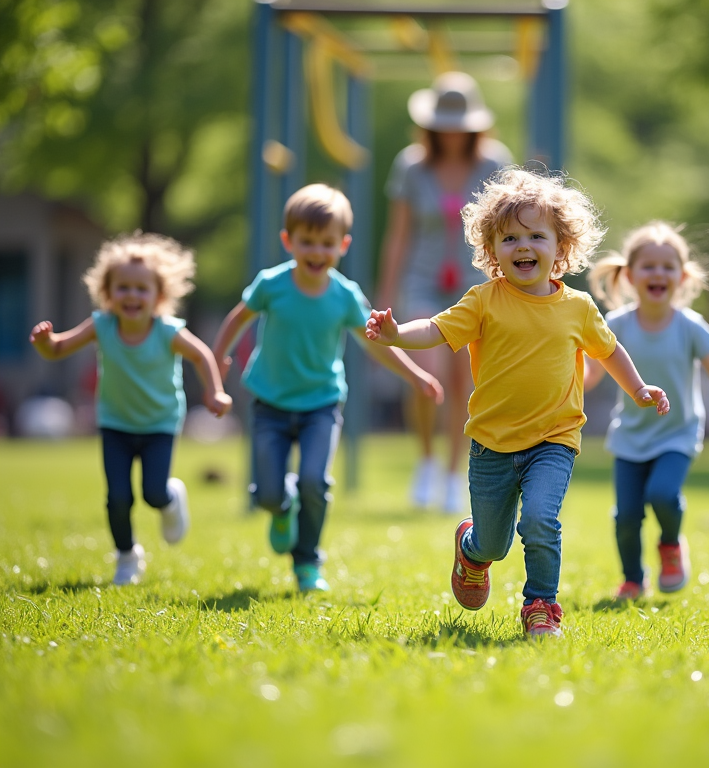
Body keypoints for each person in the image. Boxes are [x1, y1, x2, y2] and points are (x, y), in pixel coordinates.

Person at [366, 168, 671, 637]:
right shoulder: (484, 301)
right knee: (494, 542)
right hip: (492, 443)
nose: (523, 246)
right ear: (492, 251)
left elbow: (609, 351)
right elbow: (436, 328)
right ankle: (471, 550)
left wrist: (638, 389)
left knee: (541, 519)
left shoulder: (579, 308)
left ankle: (541, 605)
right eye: (510, 238)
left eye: (535, 236)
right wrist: (396, 334)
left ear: (560, 247)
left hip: (555, 438)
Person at [212, 184, 442, 593]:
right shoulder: (272, 284)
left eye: (327, 244)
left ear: (343, 245)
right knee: (267, 492)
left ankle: (307, 563)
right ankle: (281, 509)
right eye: (307, 242)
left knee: (315, 481)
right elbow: (237, 318)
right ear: (288, 241)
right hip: (271, 402)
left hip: (321, 404)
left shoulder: (344, 296)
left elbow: (378, 347)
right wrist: (219, 357)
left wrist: (415, 376)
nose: (316, 252)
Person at [29, 233, 232, 585]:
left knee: (153, 492)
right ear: (107, 293)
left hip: (159, 424)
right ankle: (126, 555)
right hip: (115, 423)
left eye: (142, 289)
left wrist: (215, 393)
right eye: (123, 287)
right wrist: (46, 344)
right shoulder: (102, 325)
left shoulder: (168, 331)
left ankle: (170, 499)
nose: (132, 295)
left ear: (159, 295)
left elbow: (201, 355)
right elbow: (60, 348)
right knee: (118, 497)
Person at [585, 222, 709, 600]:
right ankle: (632, 578)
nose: (658, 273)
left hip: (677, 432)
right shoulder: (617, 325)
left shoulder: (689, 326)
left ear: (681, 276)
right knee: (626, 516)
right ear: (629, 275)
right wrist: (568, 386)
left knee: (663, 493)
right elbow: (592, 371)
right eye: (648, 266)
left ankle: (672, 545)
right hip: (630, 435)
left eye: (667, 266)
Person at [377, 71, 513, 514]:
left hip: (474, 283)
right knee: (426, 370)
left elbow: (508, 228)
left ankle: (456, 473)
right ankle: (426, 459)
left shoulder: (494, 163)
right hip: (422, 279)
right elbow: (398, 234)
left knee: (462, 379)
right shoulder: (411, 166)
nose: (453, 133)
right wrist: (386, 288)